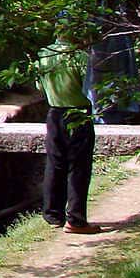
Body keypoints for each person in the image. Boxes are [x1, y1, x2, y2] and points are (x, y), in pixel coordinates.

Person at [35, 30, 101, 234]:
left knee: (55, 163)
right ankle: (76, 219)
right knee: (78, 166)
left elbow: (39, 86)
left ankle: (52, 214)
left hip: (54, 113)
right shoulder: (80, 57)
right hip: (77, 113)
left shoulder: (43, 55)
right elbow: (90, 89)